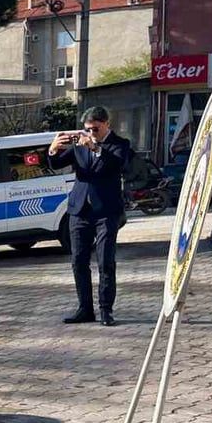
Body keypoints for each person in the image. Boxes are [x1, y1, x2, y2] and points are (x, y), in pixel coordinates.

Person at [48, 106, 134, 327]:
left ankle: (106, 310)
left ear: (106, 124)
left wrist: (95, 147)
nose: (91, 133)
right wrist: (52, 149)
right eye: (87, 129)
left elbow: (117, 165)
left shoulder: (120, 144)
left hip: (106, 211)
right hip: (79, 210)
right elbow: (56, 163)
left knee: (105, 261)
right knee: (78, 261)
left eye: (95, 129)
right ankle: (85, 309)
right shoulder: (80, 145)